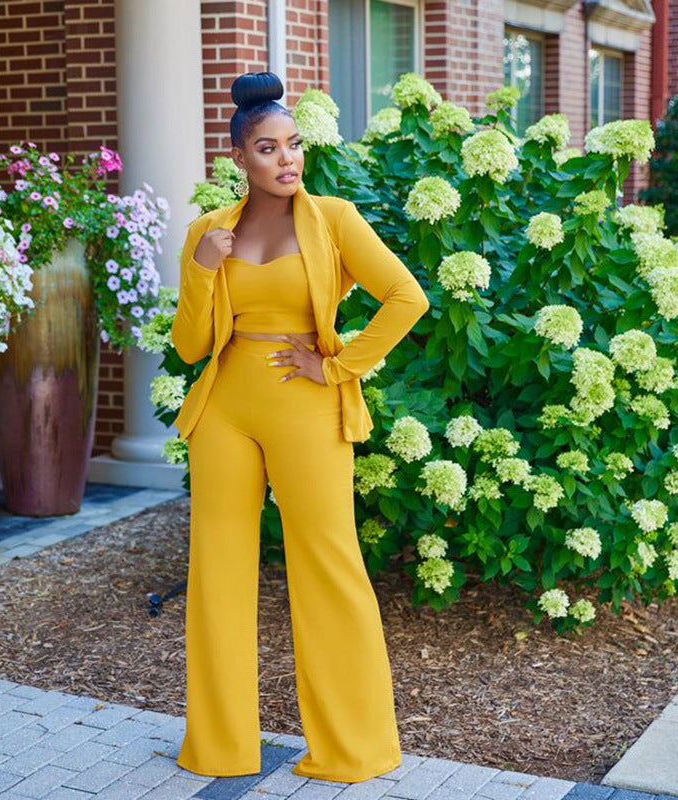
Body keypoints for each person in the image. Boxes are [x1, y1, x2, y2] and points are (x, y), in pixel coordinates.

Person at [171, 71, 431, 783]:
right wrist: (200, 271)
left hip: (306, 406)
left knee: (327, 565)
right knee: (217, 573)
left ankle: (350, 750)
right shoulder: (208, 232)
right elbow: (191, 346)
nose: (285, 159)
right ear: (237, 158)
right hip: (224, 409)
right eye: (266, 147)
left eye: (293, 144)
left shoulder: (334, 220)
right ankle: (220, 747)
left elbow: (406, 297)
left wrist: (340, 367)